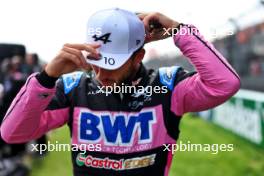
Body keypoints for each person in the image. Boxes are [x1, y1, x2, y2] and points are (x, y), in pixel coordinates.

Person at [0, 8, 240, 176]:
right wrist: (46, 78)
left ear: (138, 57)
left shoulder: (168, 85)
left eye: (112, 66)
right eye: (96, 62)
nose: (101, 74)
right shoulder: (73, 88)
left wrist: (179, 31)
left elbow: (224, 84)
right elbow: (12, 133)